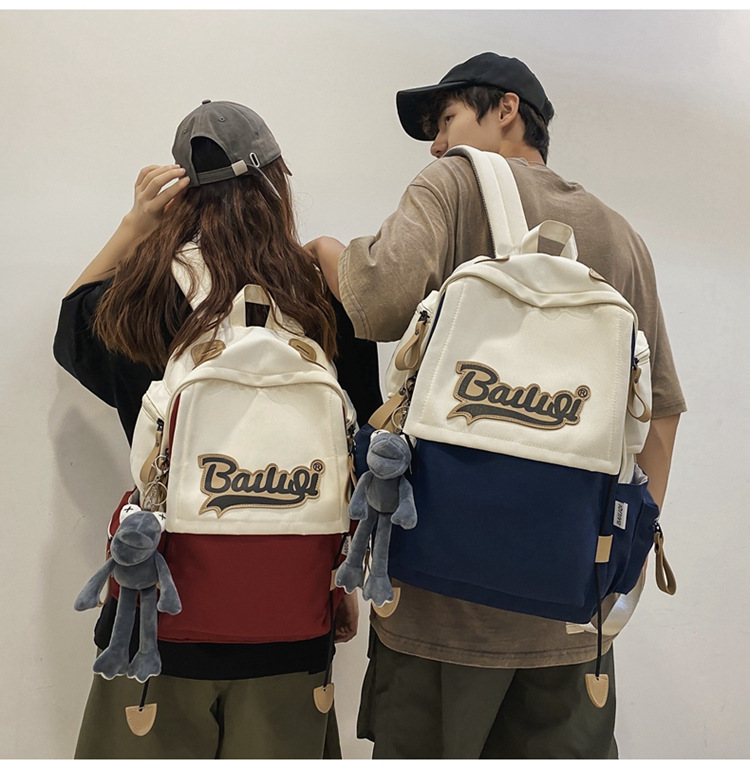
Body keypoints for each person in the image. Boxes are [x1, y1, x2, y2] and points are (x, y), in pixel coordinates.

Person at [305, 52, 686, 759]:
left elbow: (378, 299)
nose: (436, 144)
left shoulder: (454, 183)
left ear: (506, 110)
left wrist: (328, 252)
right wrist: (616, 565)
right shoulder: (620, 236)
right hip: (569, 622)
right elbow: (659, 413)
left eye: (445, 119)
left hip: (437, 617)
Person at [54, 100, 381, 759]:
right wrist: (334, 583)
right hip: (293, 610)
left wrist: (134, 224)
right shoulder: (320, 297)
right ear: (276, 179)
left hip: (160, 621)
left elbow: (71, 329)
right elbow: (361, 451)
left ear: (178, 193)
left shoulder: (147, 291)